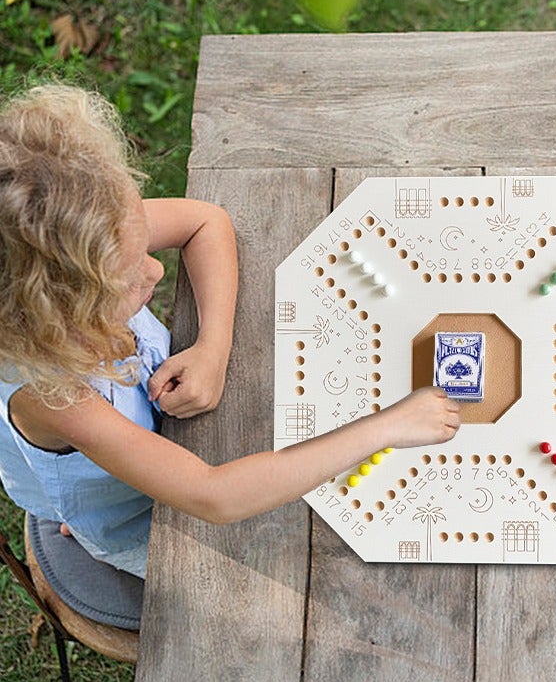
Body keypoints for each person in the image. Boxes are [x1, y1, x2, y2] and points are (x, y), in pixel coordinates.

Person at [0, 84, 461, 579]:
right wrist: (389, 425)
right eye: (129, 277)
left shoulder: (88, 230)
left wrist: (212, 348)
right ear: (57, 316)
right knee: (286, 568)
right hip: (144, 520)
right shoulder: (57, 396)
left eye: (144, 251)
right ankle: (82, 522)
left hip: (166, 447)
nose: (155, 273)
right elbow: (214, 496)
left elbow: (205, 221)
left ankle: (81, 492)